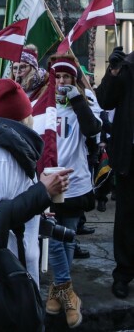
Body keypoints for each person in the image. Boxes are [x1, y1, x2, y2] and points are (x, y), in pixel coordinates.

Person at [0, 79, 69, 304]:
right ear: (23, 116)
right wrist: (42, 192)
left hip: (7, 273)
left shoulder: (9, 149)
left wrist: (36, 211)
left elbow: (10, 200)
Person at [38, 56, 100, 328]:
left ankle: (57, 290)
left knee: (69, 237)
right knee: (53, 239)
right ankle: (68, 294)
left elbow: (93, 129)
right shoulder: (44, 106)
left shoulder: (84, 105)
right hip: (50, 181)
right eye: (58, 77)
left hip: (75, 184)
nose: (62, 82)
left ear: (75, 80)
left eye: (67, 77)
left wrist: (77, 99)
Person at [96, 46, 134, 299]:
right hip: (130, 157)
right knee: (127, 218)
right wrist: (113, 70)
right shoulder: (127, 66)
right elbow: (105, 100)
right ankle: (123, 274)